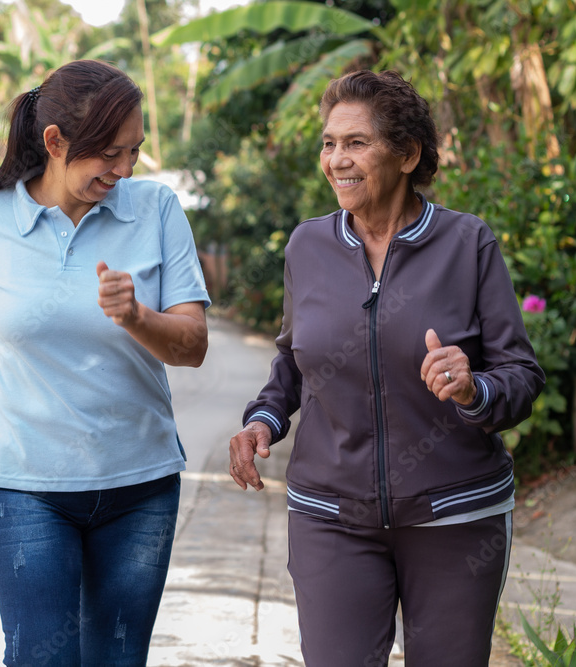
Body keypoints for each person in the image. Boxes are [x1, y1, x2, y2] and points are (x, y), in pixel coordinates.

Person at [228, 70, 545, 666]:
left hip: (453, 515)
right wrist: (262, 422)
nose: (336, 160)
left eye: (356, 143)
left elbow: (521, 377)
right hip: (331, 515)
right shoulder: (307, 247)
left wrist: (472, 387)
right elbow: (293, 363)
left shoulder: (468, 244)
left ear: (407, 154)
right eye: (329, 143)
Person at [0, 59, 210, 666]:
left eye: (135, 151)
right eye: (109, 154)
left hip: (140, 483)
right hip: (26, 484)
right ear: (55, 143)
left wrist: (137, 316)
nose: (125, 169)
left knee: (116, 659)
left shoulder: (157, 210)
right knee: (40, 658)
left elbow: (192, 346)